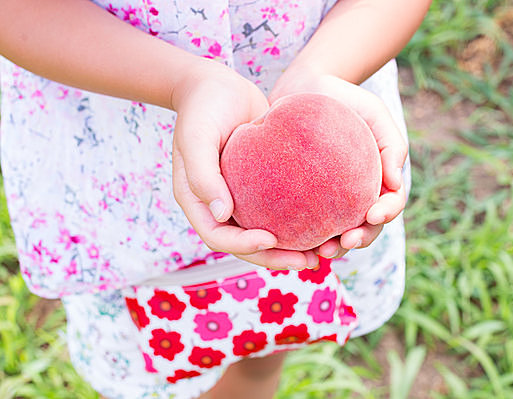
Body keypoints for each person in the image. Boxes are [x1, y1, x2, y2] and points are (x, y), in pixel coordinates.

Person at [0, 0, 431, 398]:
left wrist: (323, 71)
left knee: (272, 334)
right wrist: (184, 82)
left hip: (328, 98)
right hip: (126, 181)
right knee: (155, 375)